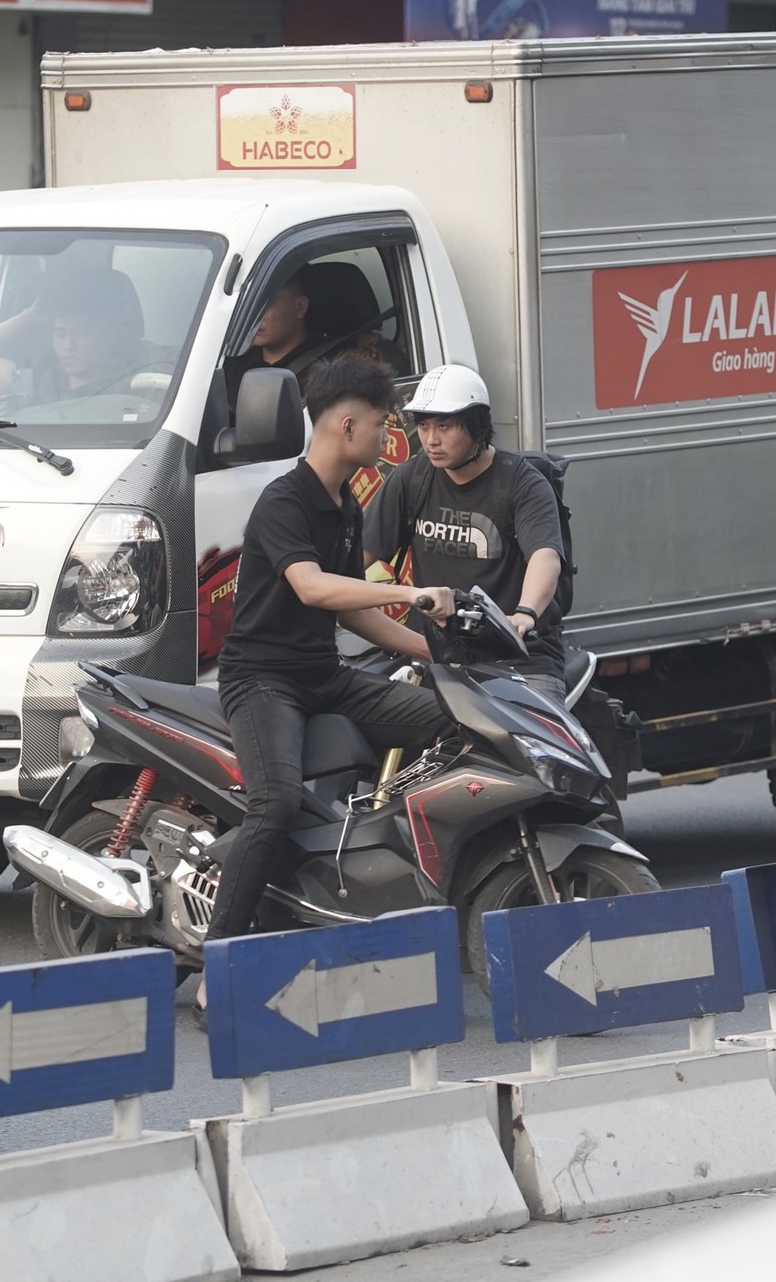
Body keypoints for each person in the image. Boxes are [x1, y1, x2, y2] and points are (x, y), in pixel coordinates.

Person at [196, 357, 458, 1007]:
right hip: (263, 681)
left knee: (451, 723)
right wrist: (413, 590)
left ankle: (365, 878)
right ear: (346, 424)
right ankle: (216, 970)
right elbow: (312, 587)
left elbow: (352, 611)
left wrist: (439, 654)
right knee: (275, 802)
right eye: (381, 423)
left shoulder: (343, 504)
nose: (387, 435)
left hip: (325, 676)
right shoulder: (286, 499)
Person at [364, 363, 570, 703]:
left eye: (444, 426)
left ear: (478, 425)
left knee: (532, 748)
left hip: (521, 656)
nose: (431, 440)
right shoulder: (413, 478)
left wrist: (525, 614)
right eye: (425, 426)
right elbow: (359, 553)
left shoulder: (521, 482)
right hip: (435, 652)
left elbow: (545, 557)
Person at [0, 268, 145, 406]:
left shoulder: (135, 384)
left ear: (106, 336)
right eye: (60, 334)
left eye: (80, 333)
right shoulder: (37, 381)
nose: (68, 345)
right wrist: (30, 315)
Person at [223, 270, 312, 401]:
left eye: (265, 304)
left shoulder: (324, 373)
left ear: (300, 307)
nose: (254, 316)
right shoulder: (230, 364)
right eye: (250, 304)